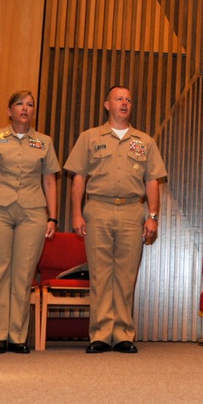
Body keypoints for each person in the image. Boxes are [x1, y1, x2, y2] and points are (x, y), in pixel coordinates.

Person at [64, 86, 167, 354]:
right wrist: (76, 212)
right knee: (99, 274)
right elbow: (78, 178)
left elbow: (152, 180)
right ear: (106, 104)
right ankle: (99, 334)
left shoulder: (145, 141)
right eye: (119, 99)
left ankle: (122, 334)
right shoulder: (89, 137)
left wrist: (153, 216)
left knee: (125, 275)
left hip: (132, 211)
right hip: (97, 208)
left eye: (129, 100)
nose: (125, 103)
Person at [0, 90, 60, 354]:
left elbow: (50, 181)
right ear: (9, 111)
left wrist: (52, 216)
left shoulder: (44, 142)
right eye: (19, 104)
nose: (25, 108)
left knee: (23, 275)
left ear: (33, 112)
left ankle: (18, 336)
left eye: (30, 104)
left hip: (33, 212)